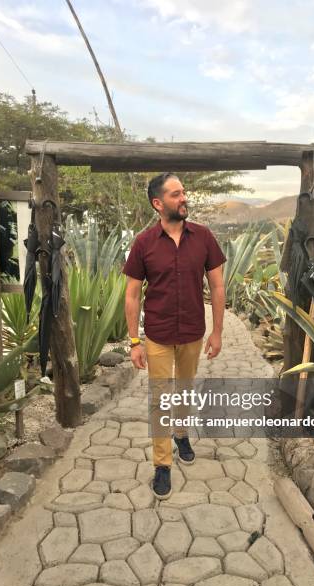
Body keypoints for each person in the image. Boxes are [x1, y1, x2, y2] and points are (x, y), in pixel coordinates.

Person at [123, 172, 226, 499]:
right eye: (175, 194)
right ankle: (162, 465)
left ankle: (181, 433)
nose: (184, 198)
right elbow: (132, 294)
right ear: (158, 203)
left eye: (184, 192)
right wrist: (134, 341)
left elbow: (218, 285)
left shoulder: (204, 237)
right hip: (157, 333)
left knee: (183, 390)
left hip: (193, 332)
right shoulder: (144, 243)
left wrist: (218, 331)